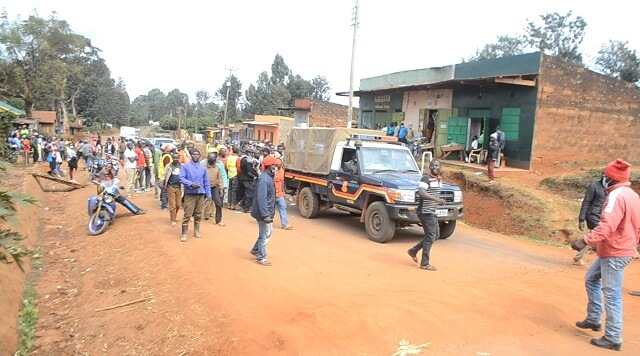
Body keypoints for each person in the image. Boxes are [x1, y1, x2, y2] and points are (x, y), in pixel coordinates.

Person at [571, 159, 640, 351]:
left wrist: (585, 240)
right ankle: (594, 319)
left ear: (611, 178)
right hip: (617, 249)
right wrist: (631, 243)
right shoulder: (632, 195)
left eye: (605, 175)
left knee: (612, 294)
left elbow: (607, 226)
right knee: (591, 279)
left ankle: (613, 337)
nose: (603, 178)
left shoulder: (616, 196)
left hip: (615, 253)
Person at [407, 159, 446, 271]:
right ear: (429, 167)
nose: (434, 167)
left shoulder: (439, 180)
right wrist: (436, 199)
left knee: (435, 236)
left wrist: (440, 200)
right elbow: (422, 192)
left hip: (431, 211)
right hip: (425, 212)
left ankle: (413, 250)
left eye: (437, 165)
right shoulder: (425, 179)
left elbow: (435, 193)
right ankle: (425, 263)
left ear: (441, 168)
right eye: (432, 165)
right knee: (430, 237)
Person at [250, 155, 278, 266]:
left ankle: (255, 249)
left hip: (267, 211)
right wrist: (265, 215)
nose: (276, 166)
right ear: (270, 166)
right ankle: (261, 257)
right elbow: (261, 198)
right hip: (263, 213)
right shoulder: (264, 179)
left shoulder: (268, 177)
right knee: (265, 234)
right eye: (275, 165)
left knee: (267, 232)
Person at [574, 172, 607, 265]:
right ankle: (579, 257)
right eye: (604, 176)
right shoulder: (594, 186)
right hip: (593, 215)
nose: (606, 178)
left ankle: (578, 256)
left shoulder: (610, 188)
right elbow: (586, 202)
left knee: (595, 235)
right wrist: (581, 219)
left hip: (603, 216)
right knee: (598, 234)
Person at [179, 149, 211, 242]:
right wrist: (191, 184)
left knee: (198, 213)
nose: (196, 156)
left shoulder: (203, 168)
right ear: (191, 156)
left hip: (201, 194)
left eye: (197, 154)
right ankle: (184, 233)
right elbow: (181, 178)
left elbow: (206, 182)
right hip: (190, 193)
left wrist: (209, 195)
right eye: (194, 154)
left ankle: (196, 230)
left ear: (200, 156)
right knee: (187, 214)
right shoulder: (186, 167)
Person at [202, 151, 225, 226]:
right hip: (204, 187)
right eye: (210, 157)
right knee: (199, 203)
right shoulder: (203, 167)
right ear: (207, 158)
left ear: (215, 159)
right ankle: (194, 216)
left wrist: (221, 189)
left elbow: (220, 179)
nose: (212, 158)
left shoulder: (217, 168)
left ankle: (218, 220)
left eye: (213, 157)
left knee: (218, 204)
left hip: (214, 187)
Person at [163, 152, 182, 226]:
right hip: (170, 186)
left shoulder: (182, 166)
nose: (175, 159)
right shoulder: (169, 166)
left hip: (179, 187)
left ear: (179, 158)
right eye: (174, 158)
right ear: (172, 158)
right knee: (172, 205)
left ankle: (174, 215)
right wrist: (162, 182)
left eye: (177, 158)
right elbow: (164, 174)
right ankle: (173, 219)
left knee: (178, 205)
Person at [274, 157, 293, 230]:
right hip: (273, 194)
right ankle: (267, 223)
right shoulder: (273, 172)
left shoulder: (282, 171)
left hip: (280, 194)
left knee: (283, 208)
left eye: (279, 164)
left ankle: (284, 224)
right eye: (277, 164)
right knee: (271, 210)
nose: (278, 166)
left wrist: (283, 192)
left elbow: (282, 182)